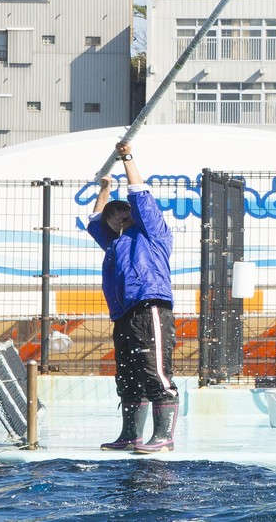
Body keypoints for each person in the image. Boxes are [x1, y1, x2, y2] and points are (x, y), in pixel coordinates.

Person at [86, 145, 177, 452]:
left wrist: (127, 158)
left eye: (121, 213)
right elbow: (93, 220)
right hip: (123, 314)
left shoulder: (151, 232)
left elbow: (140, 195)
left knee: (155, 371)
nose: (116, 219)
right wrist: (105, 188)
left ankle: (164, 437)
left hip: (150, 304)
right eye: (112, 218)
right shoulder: (114, 242)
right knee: (128, 375)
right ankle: (130, 435)